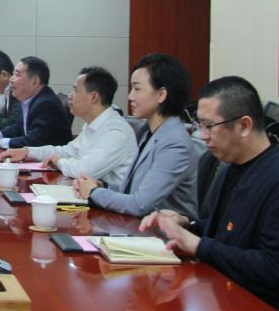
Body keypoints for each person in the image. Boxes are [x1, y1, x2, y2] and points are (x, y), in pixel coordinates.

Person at [140, 76, 279, 311]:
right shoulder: (231, 169)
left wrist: (198, 245)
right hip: (231, 301)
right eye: (199, 125)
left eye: (209, 126)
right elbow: (230, 234)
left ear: (244, 126)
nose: (202, 136)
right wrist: (187, 225)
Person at [75, 53, 197, 219]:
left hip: (159, 232)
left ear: (161, 94)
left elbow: (139, 205)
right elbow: (132, 191)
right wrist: (102, 186)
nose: (130, 96)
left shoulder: (175, 143)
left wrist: (93, 192)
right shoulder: (150, 132)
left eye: (137, 89)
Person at [0, 66, 136, 188]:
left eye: (75, 90)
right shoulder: (93, 124)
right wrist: (27, 152)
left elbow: (84, 171)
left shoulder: (116, 132)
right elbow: (68, 151)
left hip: (107, 203)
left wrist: (59, 161)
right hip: (84, 193)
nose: (70, 96)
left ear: (94, 97)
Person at [0, 56, 70, 148]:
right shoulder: (28, 100)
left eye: (17, 75)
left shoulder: (46, 104)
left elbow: (36, 140)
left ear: (34, 81)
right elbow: (17, 128)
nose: (11, 79)